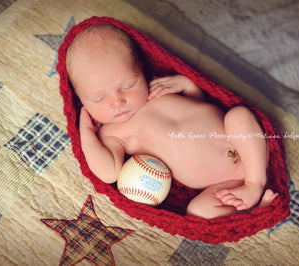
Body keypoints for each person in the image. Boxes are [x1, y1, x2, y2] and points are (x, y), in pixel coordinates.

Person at [66, 25, 277, 219]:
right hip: (223, 184)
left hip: (246, 147)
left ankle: (255, 182)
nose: (118, 102)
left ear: (141, 69)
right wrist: (85, 131)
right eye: (99, 99)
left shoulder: (156, 88)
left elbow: (200, 107)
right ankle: (248, 208)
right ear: (81, 99)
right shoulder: (112, 133)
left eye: (128, 85)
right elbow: (108, 173)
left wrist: (186, 84)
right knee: (197, 211)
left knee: (239, 115)